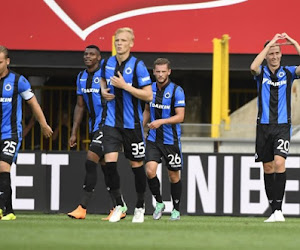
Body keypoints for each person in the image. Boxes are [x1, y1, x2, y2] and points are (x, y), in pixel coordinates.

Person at [67, 45, 126, 220]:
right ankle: (118, 207)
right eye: (85, 54)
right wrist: (74, 132)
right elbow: (80, 106)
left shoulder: (107, 75)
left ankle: (82, 208)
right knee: (106, 168)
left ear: (99, 58)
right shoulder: (81, 77)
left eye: (92, 54)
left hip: (108, 124)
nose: (88, 57)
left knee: (90, 160)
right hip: (95, 126)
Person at [100, 27, 153, 223]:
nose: (119, 43)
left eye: (123, 40)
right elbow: (103, 81)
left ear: (131, 43)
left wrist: (125, 87)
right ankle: (119, 205)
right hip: (111, 123)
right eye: (117, 40)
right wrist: (103, 90)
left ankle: (140, 206)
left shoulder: (138, 66)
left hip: (133, 124)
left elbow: (148, 95)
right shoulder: (107, 63)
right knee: (109, 163)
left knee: (136, 165)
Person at [250, 33, 300, 222]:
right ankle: (274, 211)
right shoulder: (261, 73)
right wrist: (269, 43)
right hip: (263, 127)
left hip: (282, 126)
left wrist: (294, 43)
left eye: (277, 52)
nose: (274, 56)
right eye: (271, 53)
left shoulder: (288, 72)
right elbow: (253, 67)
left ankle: (279, 210)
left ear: (281, 54)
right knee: (268, 167)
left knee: (279, 163)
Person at [0, 45, 53, 220]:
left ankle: (1, 209)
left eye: (0, 62)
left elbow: (33, 103)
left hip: (11, 133)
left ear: (7, 62)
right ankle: (9, 211)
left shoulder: (18, 81)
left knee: (3, 166)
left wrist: (43, 124)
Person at [143, 58, 185, 221]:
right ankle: (159, 203)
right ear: (153, 72)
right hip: (153, 139)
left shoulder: (177, 91)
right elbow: (147, 109)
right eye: (157, 71)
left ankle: (176, 209)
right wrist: (140, 127)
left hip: (171, 140)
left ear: (169, 72)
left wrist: (161, 121)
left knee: (173, 176)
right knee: (150, 170)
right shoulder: (149, 90)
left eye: (163, 71)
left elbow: (181, 116)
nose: (160, 74)